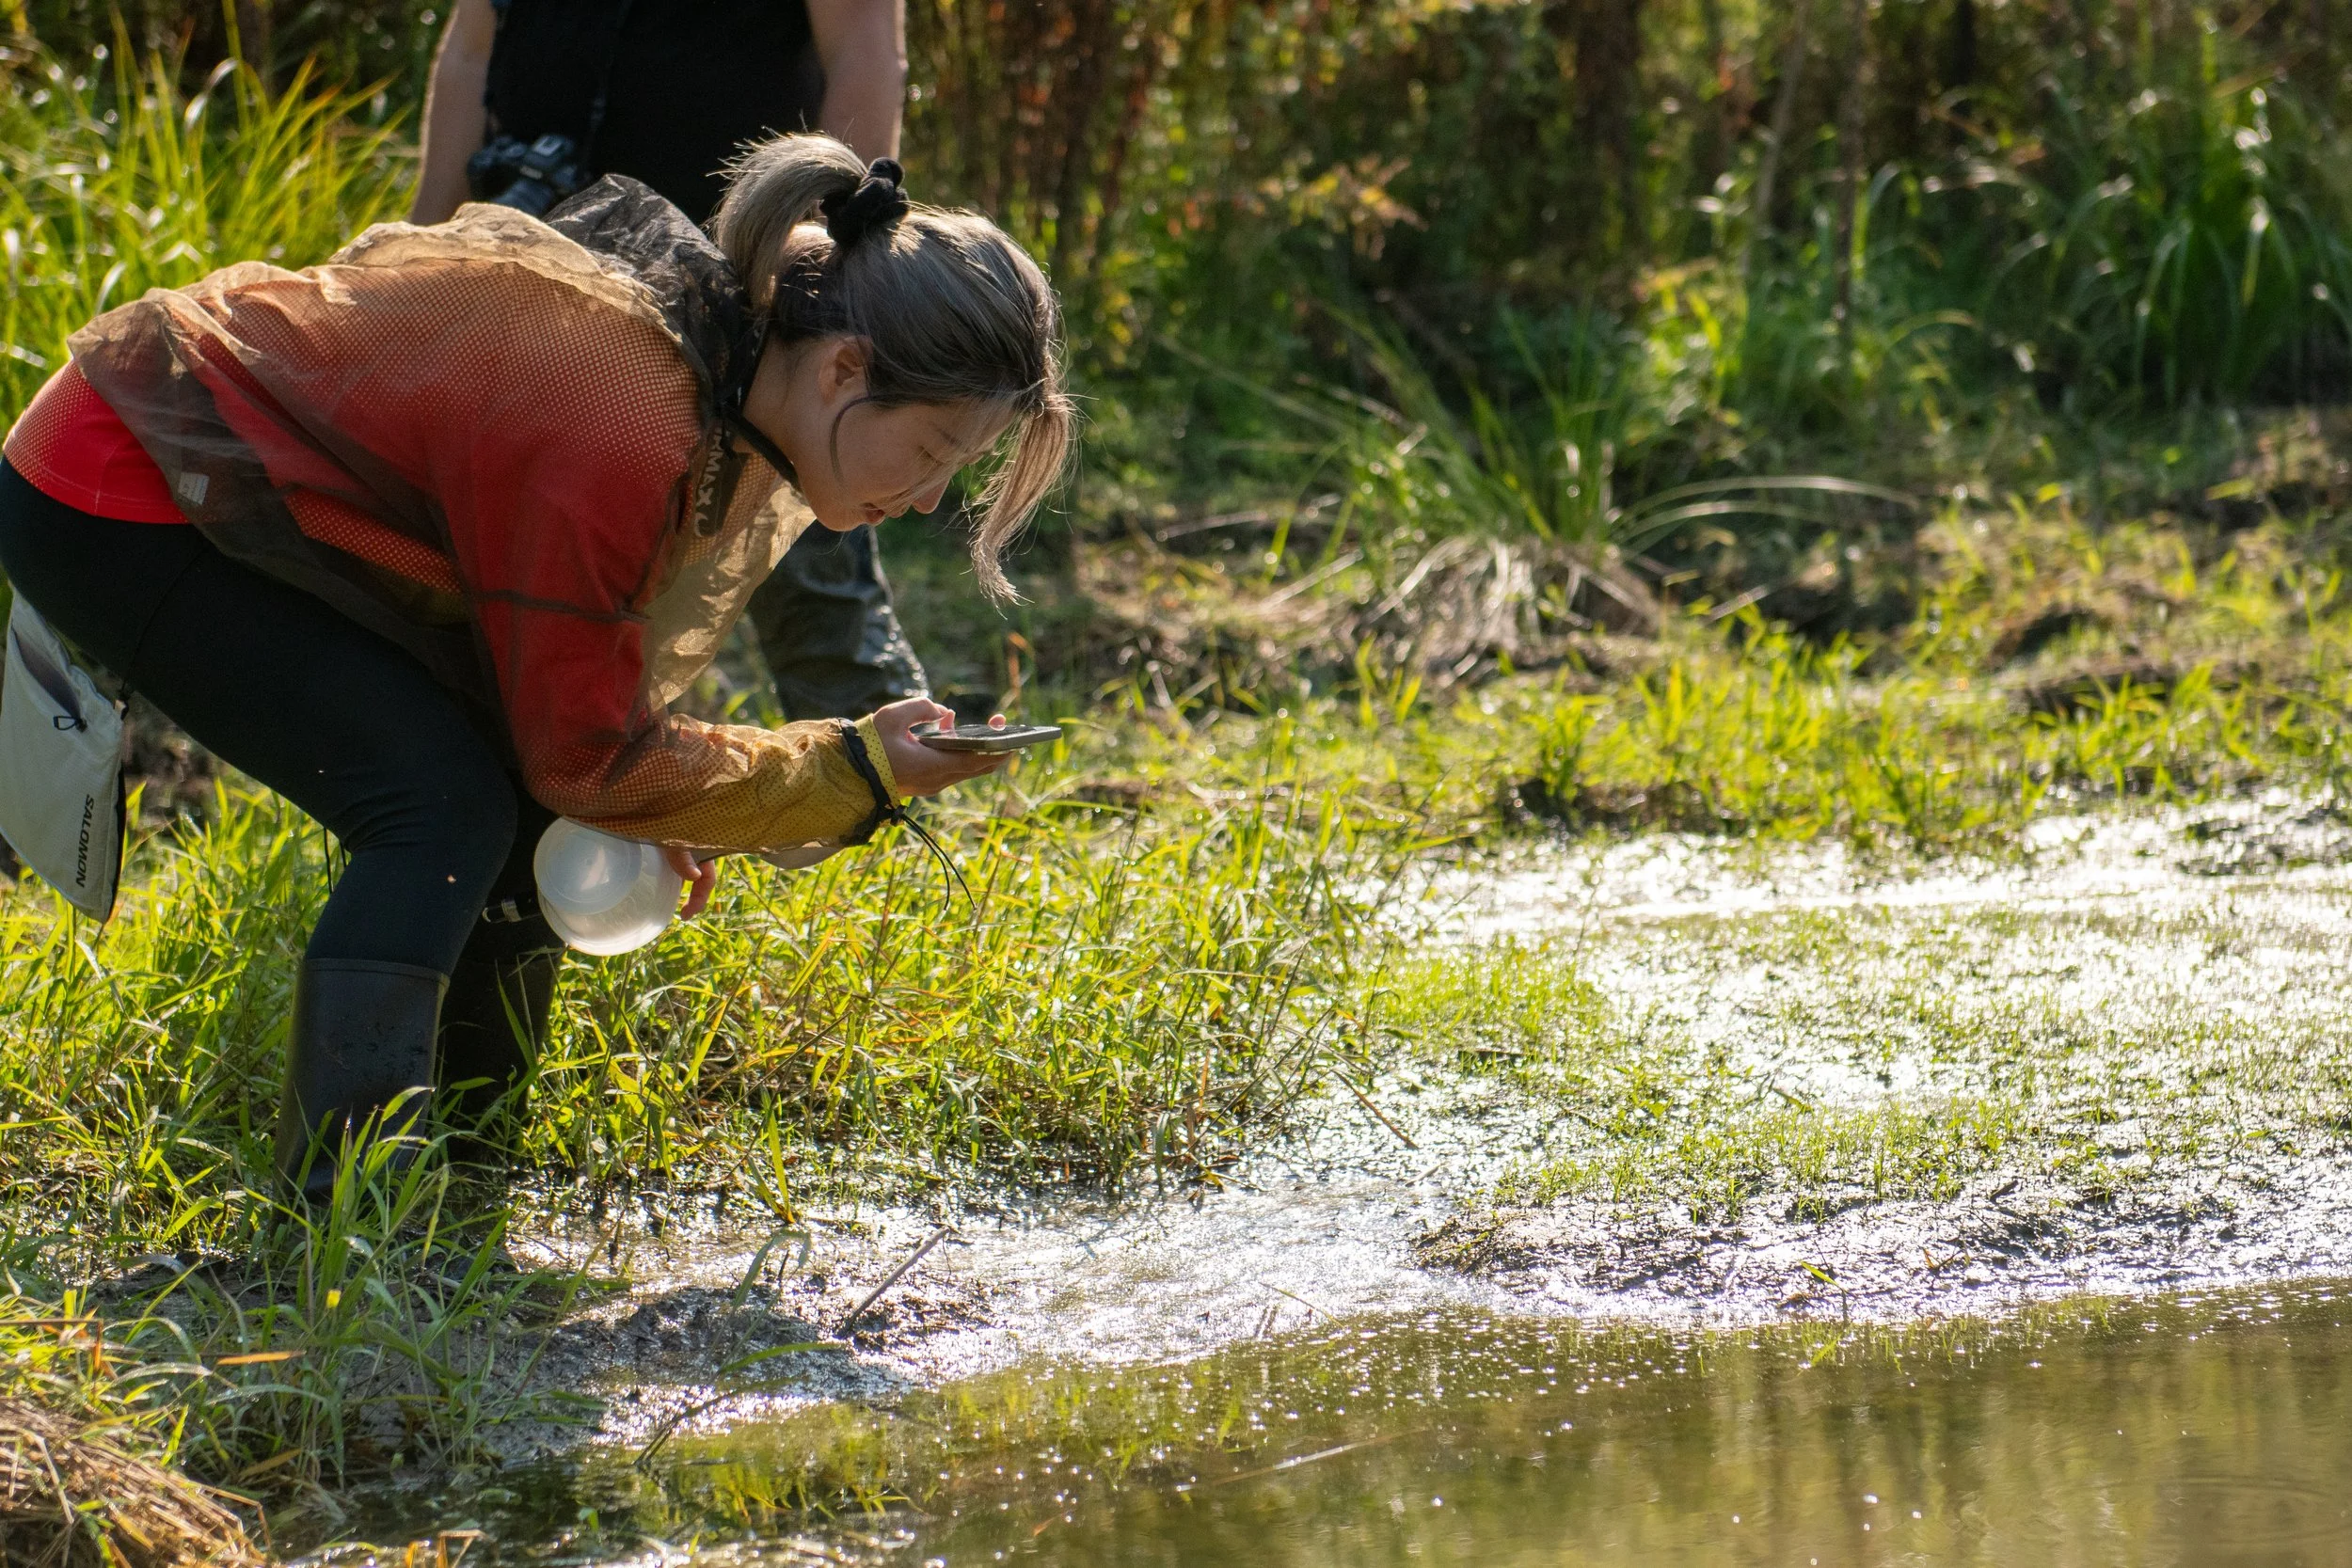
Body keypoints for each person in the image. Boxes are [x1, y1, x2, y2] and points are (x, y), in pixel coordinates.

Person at [0, 135, 1072, 1198]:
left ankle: (467, 1177)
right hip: (124, 486)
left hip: (207, 477)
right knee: (439, 809)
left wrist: (674, 797)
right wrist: (849, 768)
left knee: (494, 798)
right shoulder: (624, 419)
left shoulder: (724, 371)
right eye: (933, 453)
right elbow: (588, 759)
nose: (930, 499)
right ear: (843, 366)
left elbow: (572, 726)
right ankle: (347, 1222)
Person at [408, 0, 930, 727]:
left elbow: (865, 51)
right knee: (518, 543)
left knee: (808, 549)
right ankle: (524, 784)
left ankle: (880, 774)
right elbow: (471, 48)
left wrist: (826, 264)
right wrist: (428, 237)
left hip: (738, 275)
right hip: (533, 257)